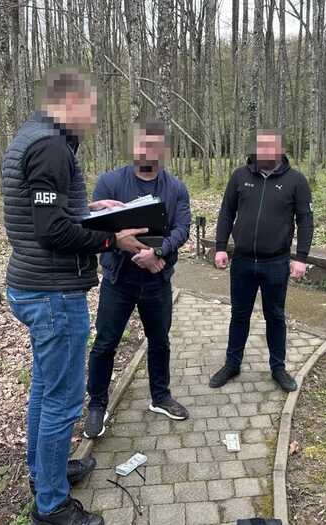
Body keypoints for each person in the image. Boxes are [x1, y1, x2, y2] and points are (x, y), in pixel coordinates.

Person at [3, 68, 147, 525]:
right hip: (53, 293)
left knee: (45, 390)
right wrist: (111, 240)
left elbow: (48, 213)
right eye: (91, 109)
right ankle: (52, 506)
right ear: (68, 104)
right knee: (63, 399)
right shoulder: (50, 147)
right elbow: (51, 232)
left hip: (36, 285)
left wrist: (90, 210)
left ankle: (47, 472)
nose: (94, 118)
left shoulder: (33, 137)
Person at [83, 121, 192, 439]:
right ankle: (97, 405)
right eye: (141, 143)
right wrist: (131, 250)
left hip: (157, 282)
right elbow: (96, 227)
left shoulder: (176, 189)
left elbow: (181, 229)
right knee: (105, 343)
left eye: (154, 144)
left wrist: (157, 254)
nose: (147, 150)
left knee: (160, 341)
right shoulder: (110, 183)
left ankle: (161, 396)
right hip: (118, 279)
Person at [209, 130, 314, 392]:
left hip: (276, 263)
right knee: (239, 315)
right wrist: (220, 247)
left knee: (275, 316)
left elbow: (305, 220)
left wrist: (301, 257)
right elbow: (226, 213)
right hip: (243, 261)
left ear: (281, 149)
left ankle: (278, 368)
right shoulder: (240, 176)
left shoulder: (296, 181)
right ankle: (232, 364)